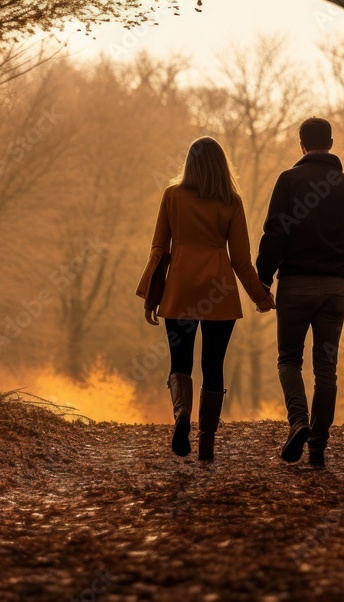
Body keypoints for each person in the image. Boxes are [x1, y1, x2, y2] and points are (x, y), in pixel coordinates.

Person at [137, 137, 275, 461]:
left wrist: (149, 297)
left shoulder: (171, 195)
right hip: (219, 294)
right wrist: (261, 296)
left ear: (189, 162)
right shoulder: (231, 200)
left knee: (179, 362)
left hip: (180, 291)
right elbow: (241, 259)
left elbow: (159, 249)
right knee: (213, 365)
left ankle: (182, 416)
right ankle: (207, 442)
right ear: (221, 164)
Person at [256, 117, 344, 467]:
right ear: (332, 143)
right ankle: (318, 447)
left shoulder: (288, 181)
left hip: (294, 286)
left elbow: (275, 233)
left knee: (289, 360)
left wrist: (262, 279)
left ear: (301, 144)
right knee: (326, 369)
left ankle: (299, 422)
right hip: (334, 290)